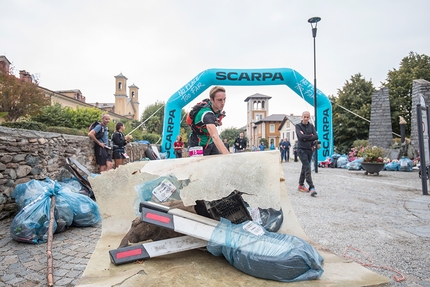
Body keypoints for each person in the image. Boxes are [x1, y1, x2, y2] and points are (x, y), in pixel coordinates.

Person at [188, 86, 230, 156]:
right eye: (219, 100)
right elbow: (215, 136)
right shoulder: (206, 114)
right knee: (199, 166)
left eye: (224, 99)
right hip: (198, 144)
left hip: (210, 141)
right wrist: (229, 156)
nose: (223, 103)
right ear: (212, 100)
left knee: (219, 163)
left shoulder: (215, 108)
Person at [296, 111, 318, 197]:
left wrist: (305, 136)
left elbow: (316, 136)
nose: (306, 119)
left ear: (309, 118)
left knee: (304, 167)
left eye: (307, 117)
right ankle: (311, 187)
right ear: (302, 117)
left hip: (309, 149)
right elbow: (300, 137)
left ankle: (301, 184)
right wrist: (310, 136)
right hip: (301, 150)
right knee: (308, 167)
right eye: (304, 117)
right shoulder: (298, 126)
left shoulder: (311, 126)